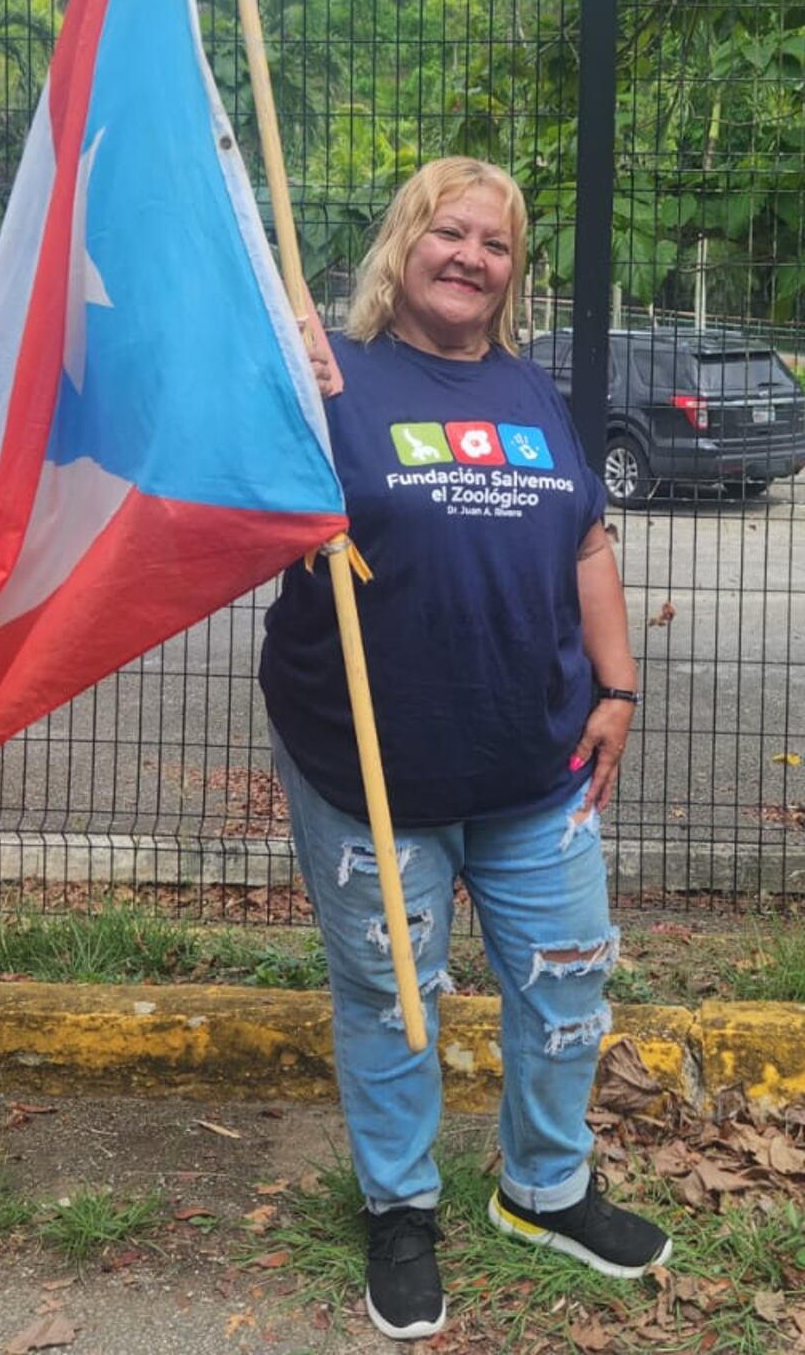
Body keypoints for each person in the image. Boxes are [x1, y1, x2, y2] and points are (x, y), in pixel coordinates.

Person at [262, 155, 668, 1342]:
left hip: (533, 760)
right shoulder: (329, 378)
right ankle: (400, 1210)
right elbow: (231, 481)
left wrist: (619, 686)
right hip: (368, 770)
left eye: (495, 244)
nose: (471, 258)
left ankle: (545, 1189)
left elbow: (585, 541)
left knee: (567, 982)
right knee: (393, 997)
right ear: (404, 242)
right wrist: (275, 374)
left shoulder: (530, 395)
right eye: (450, 232)